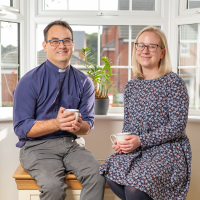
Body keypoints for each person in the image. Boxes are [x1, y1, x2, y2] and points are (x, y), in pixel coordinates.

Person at [13, 20, 105, 200]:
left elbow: (88, 126)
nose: (61, 46)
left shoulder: (84, 82)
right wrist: (56, 123)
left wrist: (78, 126)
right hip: (36, 148)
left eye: (66, 41)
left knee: (98, 173)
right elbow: (21, 128)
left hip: (72, 146)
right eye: (55, 41)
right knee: (53, 186)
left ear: (72, 44)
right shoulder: (28, 81)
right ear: (45, 46)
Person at [99, 26, 191, 200]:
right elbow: (129, 126)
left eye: (151, 46)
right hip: (139, 149)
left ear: (162, 52)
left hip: (167, 150)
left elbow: (177, 126)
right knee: (111, 173)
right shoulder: (131, 86)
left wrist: (141, 140)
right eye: (140, 45)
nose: (145, 50)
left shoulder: (173, 82)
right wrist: (123, 144)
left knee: (135, 187)